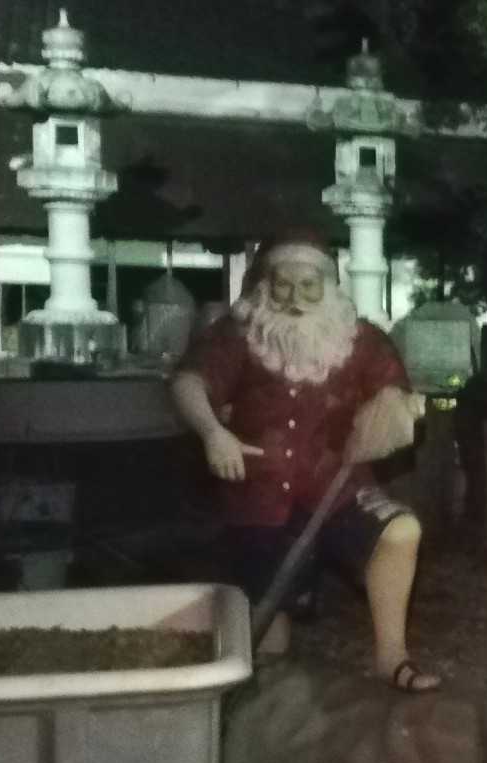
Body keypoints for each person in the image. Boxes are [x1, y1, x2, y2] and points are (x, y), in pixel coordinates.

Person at [170, 231, 438, 691]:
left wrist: (392, 412)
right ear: (265, 286)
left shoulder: (360, 340)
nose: (295, 298)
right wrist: (214, 432)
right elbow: (188, 383)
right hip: (258, 495)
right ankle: (267, 685)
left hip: (337, 487)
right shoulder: (239, 335)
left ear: (328, 287)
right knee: (269, 642)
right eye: (283, 285)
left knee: (400, 531)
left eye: (309, 286)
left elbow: (395, 394)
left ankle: (391, 657)